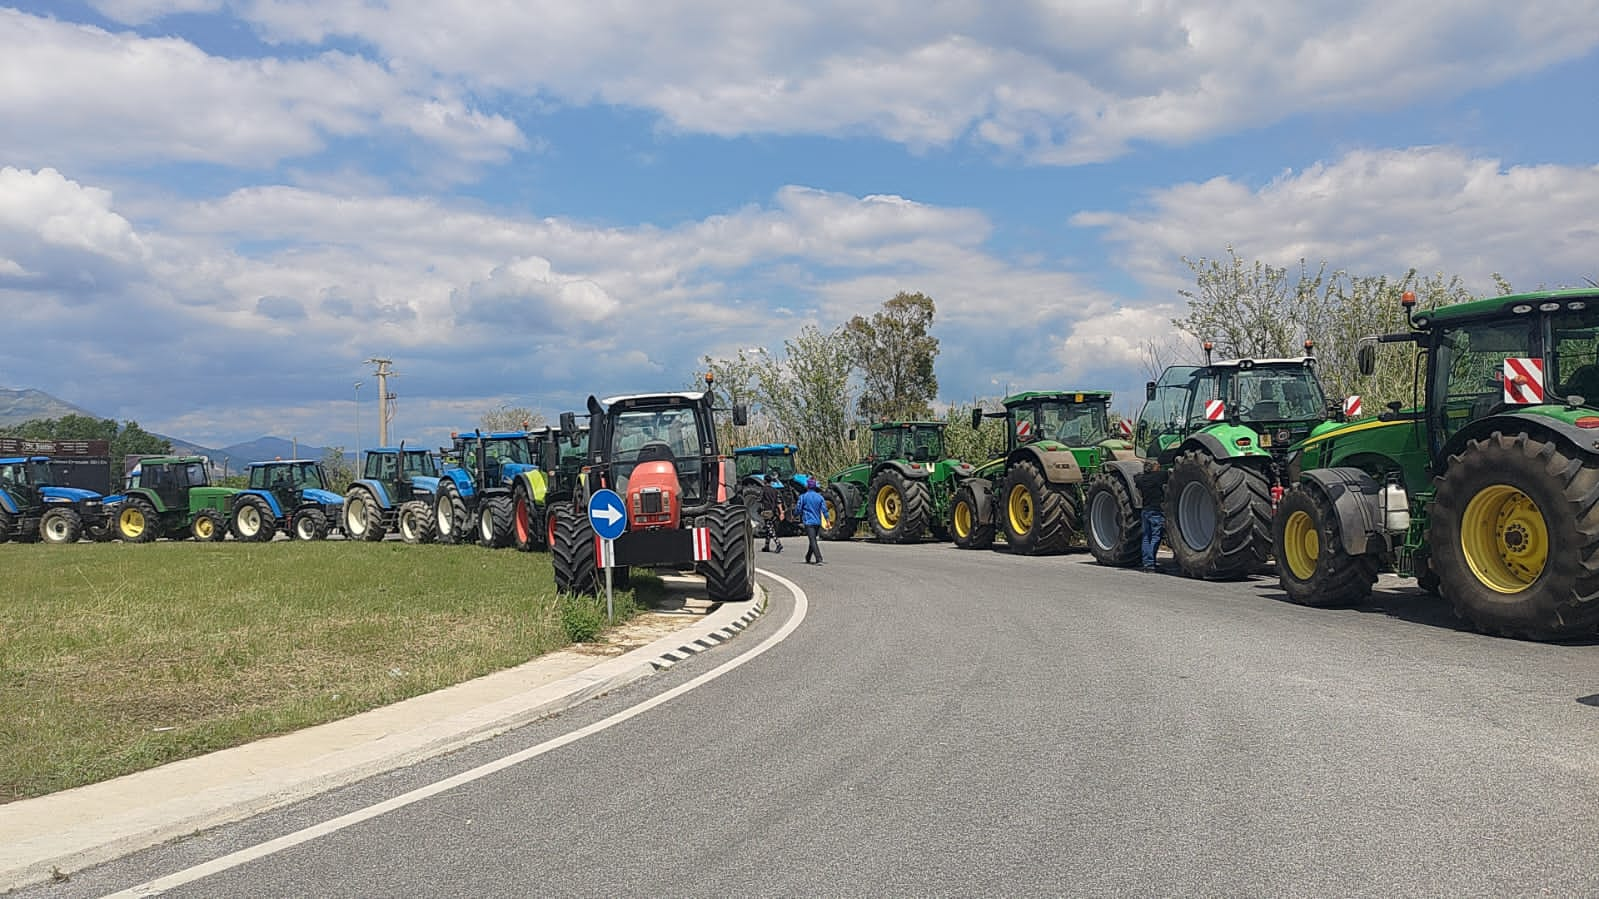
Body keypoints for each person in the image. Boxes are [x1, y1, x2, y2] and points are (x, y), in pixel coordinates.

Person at [1135, 458, 1167, 573]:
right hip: (1155, 511)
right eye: (1158, 466)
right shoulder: (1158, 477)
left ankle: (1147, 563)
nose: (1159, 467)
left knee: (1146, 537)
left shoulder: (1141, 479)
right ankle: (1150, 563)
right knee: (1156, 536)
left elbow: (1136, 478)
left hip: (1145, 510)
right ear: (1154, 467)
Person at [797, 480, 827, 564]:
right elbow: (824, 510)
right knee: (812, 539)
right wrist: (827, 520)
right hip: (817, 521)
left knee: (812, 539)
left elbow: (799, 508)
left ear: (807, 487)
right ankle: (808, 557)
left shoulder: (803, 497)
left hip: (808, 521)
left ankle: (819, 558)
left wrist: (795, 514)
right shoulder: (820, 497)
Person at [758, 473, 785, 554]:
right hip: (774, 512)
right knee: (768, 528)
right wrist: (781, 512)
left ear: (765, 481)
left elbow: (759, 499)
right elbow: (779, 502)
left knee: (770, 528)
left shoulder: (764, 489)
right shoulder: (775, 490)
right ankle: (766, 546)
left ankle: (778, 544)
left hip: (767, 511)